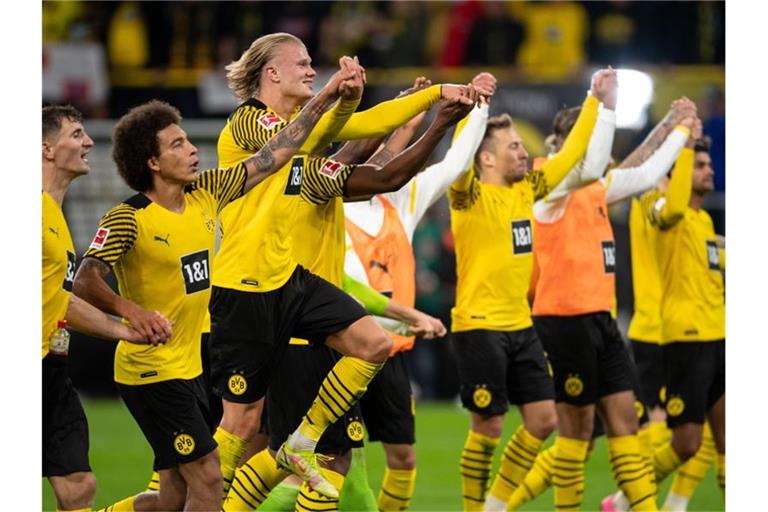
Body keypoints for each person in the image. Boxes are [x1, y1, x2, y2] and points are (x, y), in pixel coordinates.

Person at [72, 67, 352, 512]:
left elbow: (273, 156)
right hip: (152, 371)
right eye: (177, 144)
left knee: (173, 496)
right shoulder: (129, 218)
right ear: (152, 162)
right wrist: (132, 312)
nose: (192, 150)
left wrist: (324, 100)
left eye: (188, 139)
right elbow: (85, 279)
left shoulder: (206, 193)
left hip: (191, 363)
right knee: (208, 476)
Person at [210, 31, 473, 501]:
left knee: (373, 345)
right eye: (303, 63)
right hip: (244, 287)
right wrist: (340, 98)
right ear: (271, 73)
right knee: (242, 428)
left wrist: (431, 98)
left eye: (314, 65)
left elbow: (357, 146)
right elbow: (323, 137)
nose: (312, 70)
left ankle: (303, 440)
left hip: (292, 283)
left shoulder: (307, 160)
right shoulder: (248, 123)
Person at [519, 91, 697, 511]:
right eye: (588, 134)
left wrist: (679, 126)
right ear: (563, 143)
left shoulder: (597, 185)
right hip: (563, 319)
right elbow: (602, 164)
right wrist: (610, 107)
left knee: (625, 423)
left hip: (600, 318)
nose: (595, 145)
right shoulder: (548, 183)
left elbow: (645, 169)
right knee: (575, 434)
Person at [447, 69, 615, 512]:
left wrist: (595, 101)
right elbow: (459, 160)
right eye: (515, 147)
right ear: (487, 159)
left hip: (521, 325)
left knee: (543, 421)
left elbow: (573, 155)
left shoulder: (530, 191)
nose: (526, 153)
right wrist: (476, 109)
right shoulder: (469, 196)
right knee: (488, 426)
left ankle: (495, 506)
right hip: (478, 325)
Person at [337, 73, 495, 511]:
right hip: (340, 354)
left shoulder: (398, 202)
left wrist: (478, 106)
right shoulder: (328, 208)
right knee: (337, 463)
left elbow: (453, 163)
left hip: (392, 353)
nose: (386, 159)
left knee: (403, 458)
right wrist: (412, 118)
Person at [42, 104, 150, 512]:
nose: (89, 141)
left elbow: (57, 297)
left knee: (79, 485)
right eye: (76, 135)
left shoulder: (52, 213)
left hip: (52, 368)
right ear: (46, 149)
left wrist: (123, 328)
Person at [639, 131, 725, 502]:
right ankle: (629, 498)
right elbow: (671, 210)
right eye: (699, 165)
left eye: (708, 164)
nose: (710, 172)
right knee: (687, 443)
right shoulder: (658, 206)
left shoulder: (704, 220)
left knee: (727, 441)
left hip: (718, 334)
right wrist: (685, 146)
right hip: (686, 338)